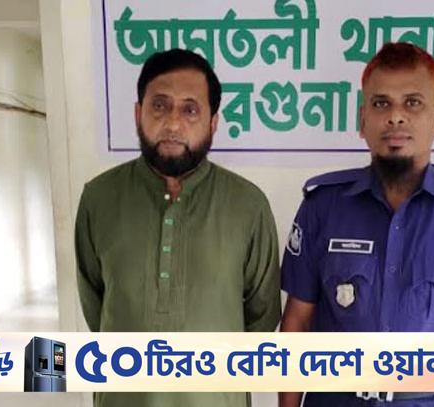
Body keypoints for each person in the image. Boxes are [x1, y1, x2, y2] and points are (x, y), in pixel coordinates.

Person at [279, 42, 434, 407]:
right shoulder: (323, 207)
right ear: (363, 120)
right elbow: (297, 324)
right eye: (381, 104)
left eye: (412, 102)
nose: (396, 117)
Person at [75, 48, 281, 407]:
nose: (173, 123)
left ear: (213, 122)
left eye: (190, 109)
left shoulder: (248, 205)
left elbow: (261, 318)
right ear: (138, 113)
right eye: (159, 106)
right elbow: (97, 308)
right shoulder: (99, 198)